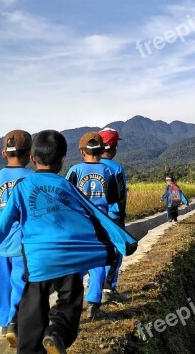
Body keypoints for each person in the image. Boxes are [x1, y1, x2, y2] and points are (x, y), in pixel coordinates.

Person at [0, 130, 137, 354]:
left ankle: (27, 344)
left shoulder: (22, 188)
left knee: (31, 306)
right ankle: (56, 333)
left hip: (37, 262)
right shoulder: (67, 186)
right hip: (67, 259)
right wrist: (125, 241)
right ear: (63, 160)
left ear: (33, 159)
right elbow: (96, 214)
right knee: (70, 299)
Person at [0, 129, 34, 347]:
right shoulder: (33, 178)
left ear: (4, 153)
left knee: (3, 284)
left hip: (1, 243)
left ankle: (5, 323)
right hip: (25, 244)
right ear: (30, 155)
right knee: (20, 282)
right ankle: (14, 321)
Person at [66, 132, 121, 320]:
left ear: (82, 152)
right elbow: (114, 198)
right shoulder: (109, 172)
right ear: (102, 150)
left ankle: (72, 302)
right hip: (100, 224)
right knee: (98, 263)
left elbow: (66, 196)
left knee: (78, 262)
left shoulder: (74, 170)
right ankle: (93, 304)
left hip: (78, 224)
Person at [98, 127, 128, 303]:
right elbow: (121, 197)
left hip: (93, 219)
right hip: (113, 218)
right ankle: (109, 287)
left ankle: (96, 287)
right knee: (115, 252)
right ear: (114, 147)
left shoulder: (87, 167)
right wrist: (122, 218)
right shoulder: (116, 169)